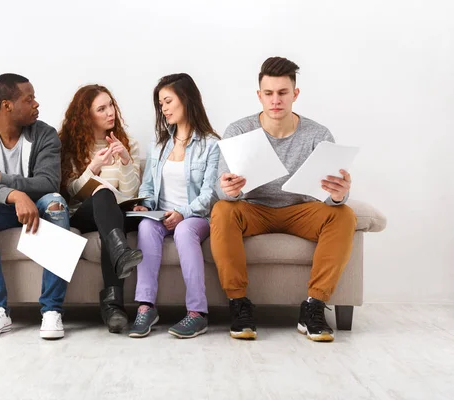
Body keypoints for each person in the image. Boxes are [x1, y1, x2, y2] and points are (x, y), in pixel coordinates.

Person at [211, 57, 357, 342]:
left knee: (345, 214)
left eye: (282, 93)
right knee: (221, 210)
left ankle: (314, 307)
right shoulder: (238, 131)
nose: (275, 100)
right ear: (259, 96)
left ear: (295, 94)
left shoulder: (318, 134)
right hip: (253, 208)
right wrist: (230, 190)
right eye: (269, 93)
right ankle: (239, 304)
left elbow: (335, 191)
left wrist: (339, 195)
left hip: (301, 209)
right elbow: (221, 190)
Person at [0, 73, 69, 340]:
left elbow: (48, 182)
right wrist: (15, 195)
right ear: (7, 105)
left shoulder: (45, 134)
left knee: (56, 204)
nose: (36, 104)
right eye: (29, 99)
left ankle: (52, 311)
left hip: (39, 207)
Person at [128, 73, 220, 339]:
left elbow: (209, 195)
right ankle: (146, 307)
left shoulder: (211, 145)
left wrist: (183, 213)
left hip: (195, 216)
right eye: (160, 104)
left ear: (186, 99)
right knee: (146, 227)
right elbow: (147, 187)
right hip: (162, 214)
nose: (164, 109)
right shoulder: (159, 145)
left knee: (183, 230)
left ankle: (197, 313)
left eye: (168, 101)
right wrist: (146, 205)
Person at [59, 84, 142, 333]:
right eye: (102, 108)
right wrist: (92, 168)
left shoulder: (128, 144)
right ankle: (113, 300)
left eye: (111, 105)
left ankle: (113, 307)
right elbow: (72, 193)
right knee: (103, 192)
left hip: (115, 213)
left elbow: (130, 194)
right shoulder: (71, 147)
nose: (111, 112)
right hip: (84, 213)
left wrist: (126, 161)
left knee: (111, 226)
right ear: (87, 115)